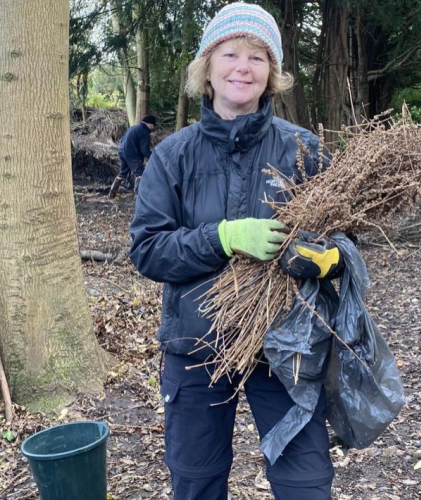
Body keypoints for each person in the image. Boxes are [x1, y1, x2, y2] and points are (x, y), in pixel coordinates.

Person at [129, 3, 344, 500]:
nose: (242, 67)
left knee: (305, 483)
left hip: (285, 342)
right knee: (197, 481)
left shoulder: (304, 150)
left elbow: (345, 241)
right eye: (229, 53)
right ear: (207, 67)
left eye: (257, 57)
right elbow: (147, 250)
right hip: (197, 344)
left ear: (272, 74)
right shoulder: (171, 155)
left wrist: (329, 258)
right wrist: (221, 237)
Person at [108, 114, 156, 198]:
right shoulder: (144, 132)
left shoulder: (133, 128)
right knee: (140, 173)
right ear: (150, 124)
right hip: (131, 154)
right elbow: (144, 150)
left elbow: (121, 139)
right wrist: (154, 157)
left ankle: (112, 194)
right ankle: (138, 197)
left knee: (123, 173)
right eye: (153, 126)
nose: (153, 128)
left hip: (121, 151)